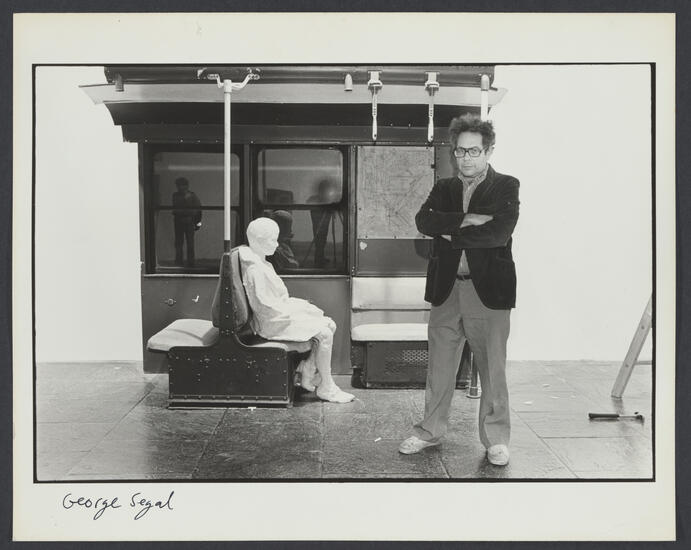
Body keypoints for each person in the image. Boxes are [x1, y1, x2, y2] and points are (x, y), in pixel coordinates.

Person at [399, 114, 520, 466]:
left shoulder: (506, 186)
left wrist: (449, 232)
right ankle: (429, 432)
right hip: (447, 290)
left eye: (474, 151)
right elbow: (424, 221)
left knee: (492, 369)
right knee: (439, 369)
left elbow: (498, 234)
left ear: (489, 151)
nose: (466, 158)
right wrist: (467, 220)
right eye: (460, 151)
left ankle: (496, 440)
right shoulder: (444, 188)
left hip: (489, 294)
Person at [239, 217, 354, 404]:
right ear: (259, 241)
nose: (277, 244)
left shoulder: (263, 264)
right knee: (324, 334)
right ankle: (326, 387)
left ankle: (308, 368)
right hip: (271, 324)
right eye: (273, 240)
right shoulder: (254, 270)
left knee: (330, 324)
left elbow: (278, 301)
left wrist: (301, 307)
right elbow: (266, 307)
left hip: (277, 316)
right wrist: (297, 312)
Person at [308, 179, 341, 268]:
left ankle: (320, 258)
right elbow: (309, 202)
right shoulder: (316, 199)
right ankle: (318, 260)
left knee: (322, 240)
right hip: (318, 223)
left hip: (323, 223)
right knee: (319, 240)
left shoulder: (324, 199)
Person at [172, 177, 202, 267]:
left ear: (186, 186)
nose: (180, 188)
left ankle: (189, 262)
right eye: (178, 186)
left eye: (181, 185)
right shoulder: (176, 196)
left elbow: (198, 209)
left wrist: (197, 222)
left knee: (189, 243)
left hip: (188, 221)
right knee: (179, 242)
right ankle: (180, 261)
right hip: (181, 221)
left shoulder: (192, 196)